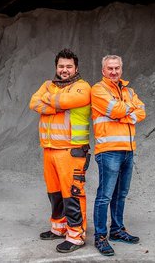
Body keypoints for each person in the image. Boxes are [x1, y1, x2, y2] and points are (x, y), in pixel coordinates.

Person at [29, 48, 91, 253]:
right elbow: (33, 103)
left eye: (69, 66)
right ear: (56, 67)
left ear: (76, 68)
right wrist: (56, 104)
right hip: (49, 149)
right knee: (54, 193)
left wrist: (50, 101)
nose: (64, 70)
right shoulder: (48, 84)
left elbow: (67, 101)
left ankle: (76, 235)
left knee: (72, 193)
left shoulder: (82, 87)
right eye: (61, 66)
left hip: (70, 151)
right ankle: (59, 227)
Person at [91, 55, 146, 256]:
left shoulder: (129, 91)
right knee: (105, 196)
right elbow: (115, 110)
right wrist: (125, 112)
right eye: (110, 68)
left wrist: (123, 113)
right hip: (108, 151)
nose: (114, 72)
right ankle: (100, 236)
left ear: (121, 69)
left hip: (128, 151)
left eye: (117, 68)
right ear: (103, 70)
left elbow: (141, 111)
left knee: (120, 194)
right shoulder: (98, 90)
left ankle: (117, 230)